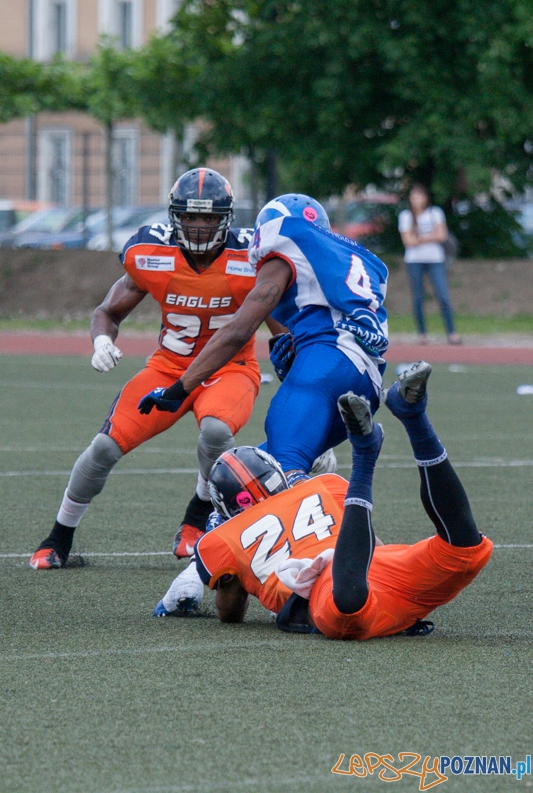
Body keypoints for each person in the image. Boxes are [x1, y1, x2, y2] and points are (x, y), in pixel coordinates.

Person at [29, 167, 280, 570]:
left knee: (216, 432)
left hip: (230, 369)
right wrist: (102, 339)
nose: (199, 227)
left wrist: (296, 362)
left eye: (209, 218)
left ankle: (195, 521)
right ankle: (58, 537)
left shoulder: (250, 258)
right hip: (167, 368)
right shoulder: (152, 254)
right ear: (174, 216)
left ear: (226, 219)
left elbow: (280, 325)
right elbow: (108, 310)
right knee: (103, 448)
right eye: (191, 217)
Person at [155, 362, 492, 639]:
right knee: (464, 552)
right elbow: (371, 544)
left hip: (336, 587)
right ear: (275, 474)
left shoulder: (220, 538)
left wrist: (235, 580)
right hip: (380, 571)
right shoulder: (324, 483)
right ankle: (414, 419)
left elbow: (229, 614)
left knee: (346, 610)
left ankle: (364, 456)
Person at [138, 193, 390, 488]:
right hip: (368, 381)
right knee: (247, 480)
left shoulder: (288, 240)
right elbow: (338, 323)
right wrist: (297, 364)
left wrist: (179, 389)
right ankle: (356, 525)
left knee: (284, 475)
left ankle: (342, 529)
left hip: (326, 364)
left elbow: (238, 330)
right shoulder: (354, 256)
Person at [398, 184, 461, 346]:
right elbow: (408, 241)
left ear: (425, 198)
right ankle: (422, 333)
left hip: (435, 259)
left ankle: (452, 332)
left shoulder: (435, 213)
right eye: (413, 197)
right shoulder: (405, 216)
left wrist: (420, 238)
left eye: (419, 196)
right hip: (414, 261)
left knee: (443, 296)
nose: (416, 200)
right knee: (418, 298)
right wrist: (429, 236)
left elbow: (442, 235)